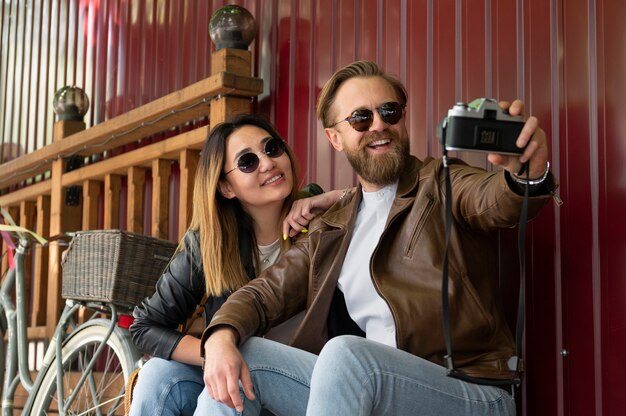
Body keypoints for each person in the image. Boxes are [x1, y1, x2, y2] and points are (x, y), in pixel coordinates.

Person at [197, 60, 559, 416]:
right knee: (245, 354)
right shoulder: (333, 226)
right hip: (378, 391)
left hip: (470, 392)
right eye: (361, 118)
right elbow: (262, 295)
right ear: (335, 137)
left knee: (345, 354)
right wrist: (219, 337)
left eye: (390, 111)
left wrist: (527, 173)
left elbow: (497, 200)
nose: (379, 125)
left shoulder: (443, 184)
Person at [128, 113, 343, 416]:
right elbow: (145, 326)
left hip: (307, 382)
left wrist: (337, 198)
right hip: (244, 388)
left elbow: (378, 202)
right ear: (227, 188)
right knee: (157, 377)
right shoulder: (211, 242)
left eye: (271, 148)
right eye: (247, 162)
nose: (267, 163)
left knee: (246, 357)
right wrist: (214, 353)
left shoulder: (321, 216)